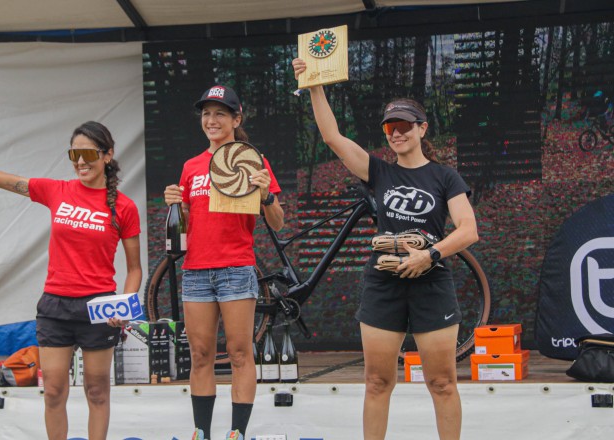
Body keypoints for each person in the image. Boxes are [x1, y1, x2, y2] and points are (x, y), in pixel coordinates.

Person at [292, 59, 478, 440]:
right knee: (377, 381)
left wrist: (430, 255)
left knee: (442, 382)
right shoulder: (379, 171)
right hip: (384, 281)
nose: (396, 133)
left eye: (405, 126)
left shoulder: (445, 177)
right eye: (391, 127)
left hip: (431, 281)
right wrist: (314, 85)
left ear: (422, 128)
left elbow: (468, 230)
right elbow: (332, 136)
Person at [0, 118, 142, 440]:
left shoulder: (124, 208)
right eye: (74, 155)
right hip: (55, 307)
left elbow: (135, 268)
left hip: (99, 309)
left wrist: (123, 307)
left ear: (108, 155)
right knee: (54, 392)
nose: (81, 162)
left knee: (97, 392)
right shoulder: (56, 190)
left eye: (89, 154)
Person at [163, 85, 285, 440]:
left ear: (236, 119)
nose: (211, 120)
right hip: (196, 270)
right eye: (206, 114)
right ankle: (201, 432)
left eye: (220, 113)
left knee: (238, 352)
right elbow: (183, 226)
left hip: (235, 268)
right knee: (200, 354)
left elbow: (277, 222)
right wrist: (176, 204)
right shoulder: (191, 166)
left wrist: (266, 194)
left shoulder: (253, 160)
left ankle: (238, 433)